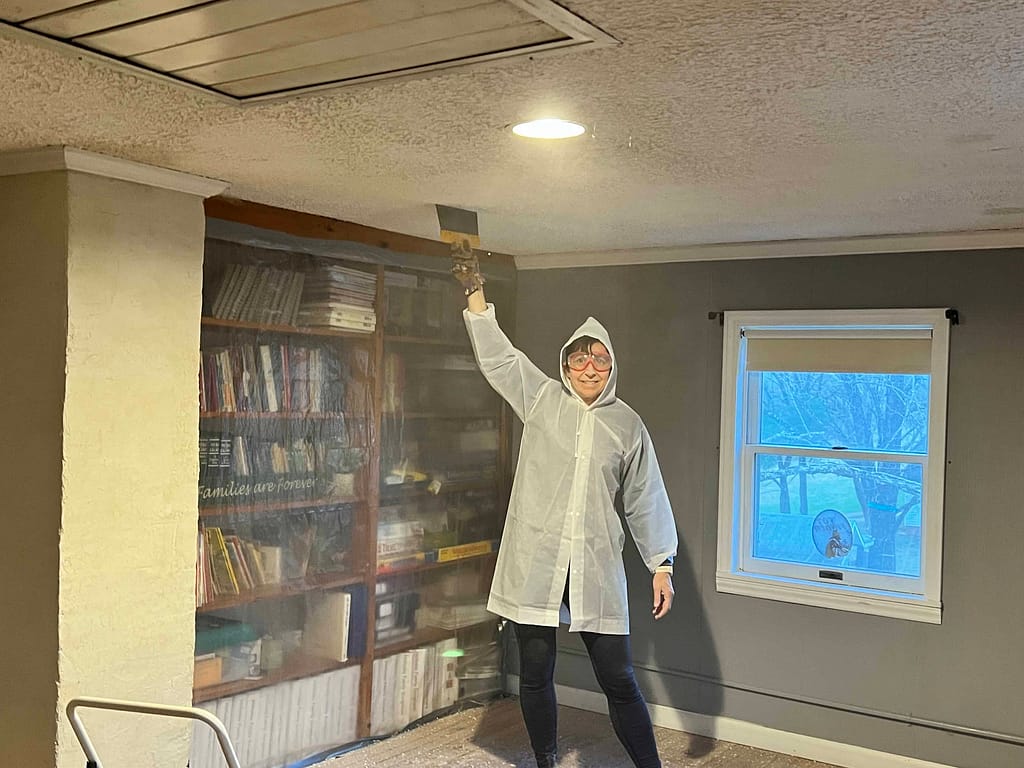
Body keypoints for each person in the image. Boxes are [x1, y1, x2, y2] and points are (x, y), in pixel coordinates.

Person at [452, 251, 678, 768]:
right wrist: (473, 290)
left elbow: (645, 496)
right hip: (538, 560)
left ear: (612, 366)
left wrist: (660, 565)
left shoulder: (628, 425)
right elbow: (500, 358)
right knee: (535, 673)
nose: (589, 368)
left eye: (599, 359)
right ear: (566, 364)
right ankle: (546, 760)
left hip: (594, 564)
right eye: (580, 358)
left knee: (618, 677)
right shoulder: (541, 399)